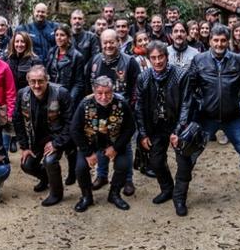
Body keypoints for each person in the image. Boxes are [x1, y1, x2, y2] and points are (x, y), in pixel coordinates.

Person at [180, 25, 240, 209]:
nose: (219, 44)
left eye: (223, 40)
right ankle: (180, 195)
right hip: (207, 116)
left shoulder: (237, 60)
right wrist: (200, 104)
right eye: (216, 40)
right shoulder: (199, 60)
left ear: (228, 42)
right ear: (210, 41)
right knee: (190, 154)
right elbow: (191, 87)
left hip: (233, 117)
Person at [134, 42, 191, 211]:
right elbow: (139, 107)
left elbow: (186, 105)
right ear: (148, 59)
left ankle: (179, 197)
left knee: (184, 163)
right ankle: (167, 189)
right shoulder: (143, 78)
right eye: (153, 58)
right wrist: (143, 133)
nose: (158, 61)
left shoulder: (181, 75)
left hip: (177, 125)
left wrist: (178, 131)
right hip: (156, 125)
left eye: (161, 57)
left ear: (167, 57)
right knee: (156, 161)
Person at [85, 29, 140, 193]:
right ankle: (101, 176)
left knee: (126, 146)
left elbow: (137, 88)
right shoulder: (94, 61)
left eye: (112, 42)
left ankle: (128, 180)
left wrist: (128, 108)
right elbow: (89, 85)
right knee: (101, 142)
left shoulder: (130, 62)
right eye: (105, 42)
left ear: (119, 42)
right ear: (101, 44)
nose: (108, 45)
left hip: (123, 112)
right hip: (99, 111)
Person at [71, 76, 136, 212]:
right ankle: (86, 197)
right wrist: (88, 153)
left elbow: (130, 128)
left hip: (114, 141)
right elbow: (75, 129)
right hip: (90, 142)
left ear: (113, 91)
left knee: (123, 164)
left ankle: (114, 194)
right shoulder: (85, 104)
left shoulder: (121, 102)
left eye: (107, 93)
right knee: (80, 168)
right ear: (94, 92)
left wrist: (116, 147)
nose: (104, 97)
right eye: (99, 93)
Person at [13, 66, 73, 207]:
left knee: (50, 161)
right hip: (35, 139)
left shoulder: (61, 93)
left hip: (56, 137)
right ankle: (46, 179)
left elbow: (71, 122)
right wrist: (25, 146)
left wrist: (57, 143)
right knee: (26, 164)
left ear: (47, 80)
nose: (36, 85)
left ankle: (56, 193)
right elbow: (17, 120)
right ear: (28, 81)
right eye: (32, 81)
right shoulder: (22, 94)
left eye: (40, 81)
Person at [45, 25, 85, 103]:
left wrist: (69, 99)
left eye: (62, 35)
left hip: (68, 96)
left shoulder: (77, 56)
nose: (59, 38)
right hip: (52, 95)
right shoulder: (51, 52)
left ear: (68, 37)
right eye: (56, 35)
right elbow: (47, 74)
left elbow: (79, 83)